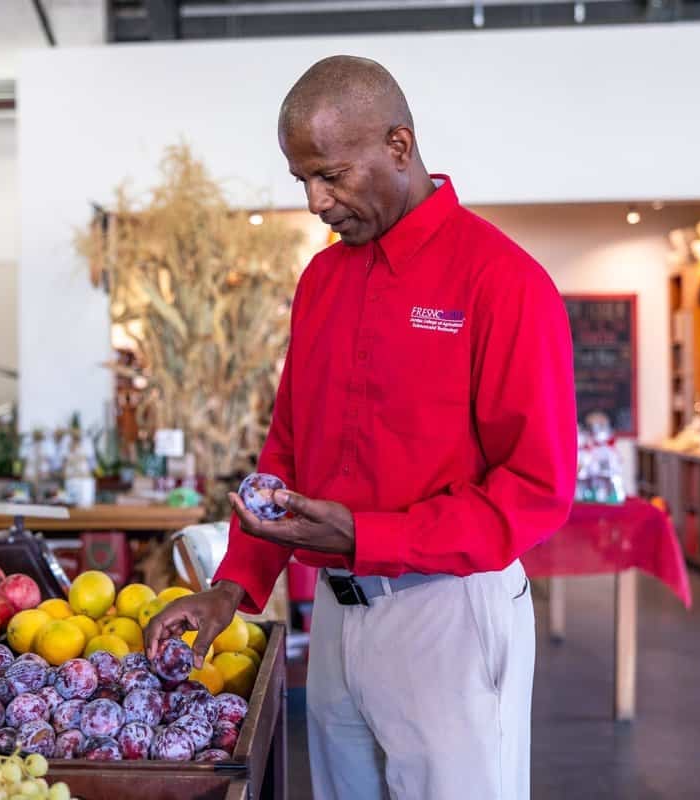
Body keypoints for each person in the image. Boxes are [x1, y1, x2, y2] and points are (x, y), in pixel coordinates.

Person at [145, 55, 577, 800]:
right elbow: (286, 451)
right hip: (340, 624)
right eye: (302, 181)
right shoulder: (322, 280)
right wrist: (235, 586)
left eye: (332, 176)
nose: (316, 201)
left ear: (399, 147)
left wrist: (368, 536)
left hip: (452, 615)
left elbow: (536, 489)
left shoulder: (502, 281)